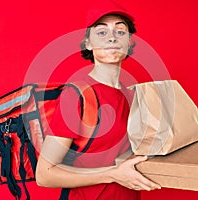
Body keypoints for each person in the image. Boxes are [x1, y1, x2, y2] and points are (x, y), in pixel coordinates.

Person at [35, 1, 161, 199]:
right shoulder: (78, 94)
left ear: (129, 41)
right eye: (101, 32)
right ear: (88, 43)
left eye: (120, 31)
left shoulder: (135, 96)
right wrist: (112, 175)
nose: (112, 38)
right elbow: (44, 174)